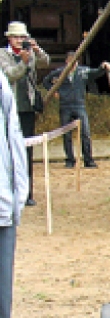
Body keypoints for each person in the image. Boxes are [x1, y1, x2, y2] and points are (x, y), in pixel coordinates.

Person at [0, 72, 38, 318]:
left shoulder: (0, 83)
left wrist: (18, 195)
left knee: (1, 300)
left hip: (2, 206)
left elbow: (13, 140)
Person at [0, 21, 49, 205]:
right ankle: (9, 192)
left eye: (23, 37)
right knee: (8, 151)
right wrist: (23, 61)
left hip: (27, 109)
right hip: (8, 109)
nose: (20, 40)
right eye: (16, 37)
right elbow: (11, 74)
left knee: (26, 150)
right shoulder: (2, 54)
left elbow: (46, 62)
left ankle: (27, 193)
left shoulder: (29, 53)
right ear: (9, 38)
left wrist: (37, 50)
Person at [42, 52, 110, 169]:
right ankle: (70, 160)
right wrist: (53, 91)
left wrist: (103, 67)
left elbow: (96, 73)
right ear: (67, 62)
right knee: (66, 134)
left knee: (85, 133)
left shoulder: (83, 71)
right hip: (65, 105)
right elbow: (46, 81)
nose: (73, 65)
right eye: (70, 62)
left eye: (75, 62)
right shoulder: (60, 73)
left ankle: (88, 160)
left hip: (79, 105)